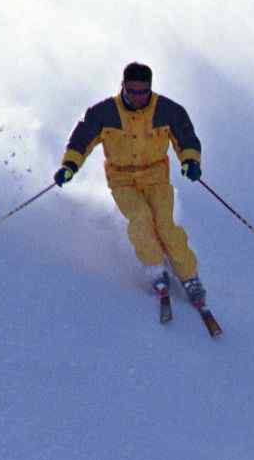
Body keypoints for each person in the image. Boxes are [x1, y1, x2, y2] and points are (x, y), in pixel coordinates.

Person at [54, 62, 209, 308]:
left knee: (165, 225)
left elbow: (185, 136)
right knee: (140, 219)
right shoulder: (104, 113)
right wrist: (69, 165)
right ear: (123, 86)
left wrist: (190, 161)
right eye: (132, 91)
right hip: (122, 179)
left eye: (143, 92)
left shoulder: (167, 110)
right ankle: (156, 270)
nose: (138, 97)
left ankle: (190, 277)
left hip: (156, 176)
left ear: (150, 88)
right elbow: (82, 139)